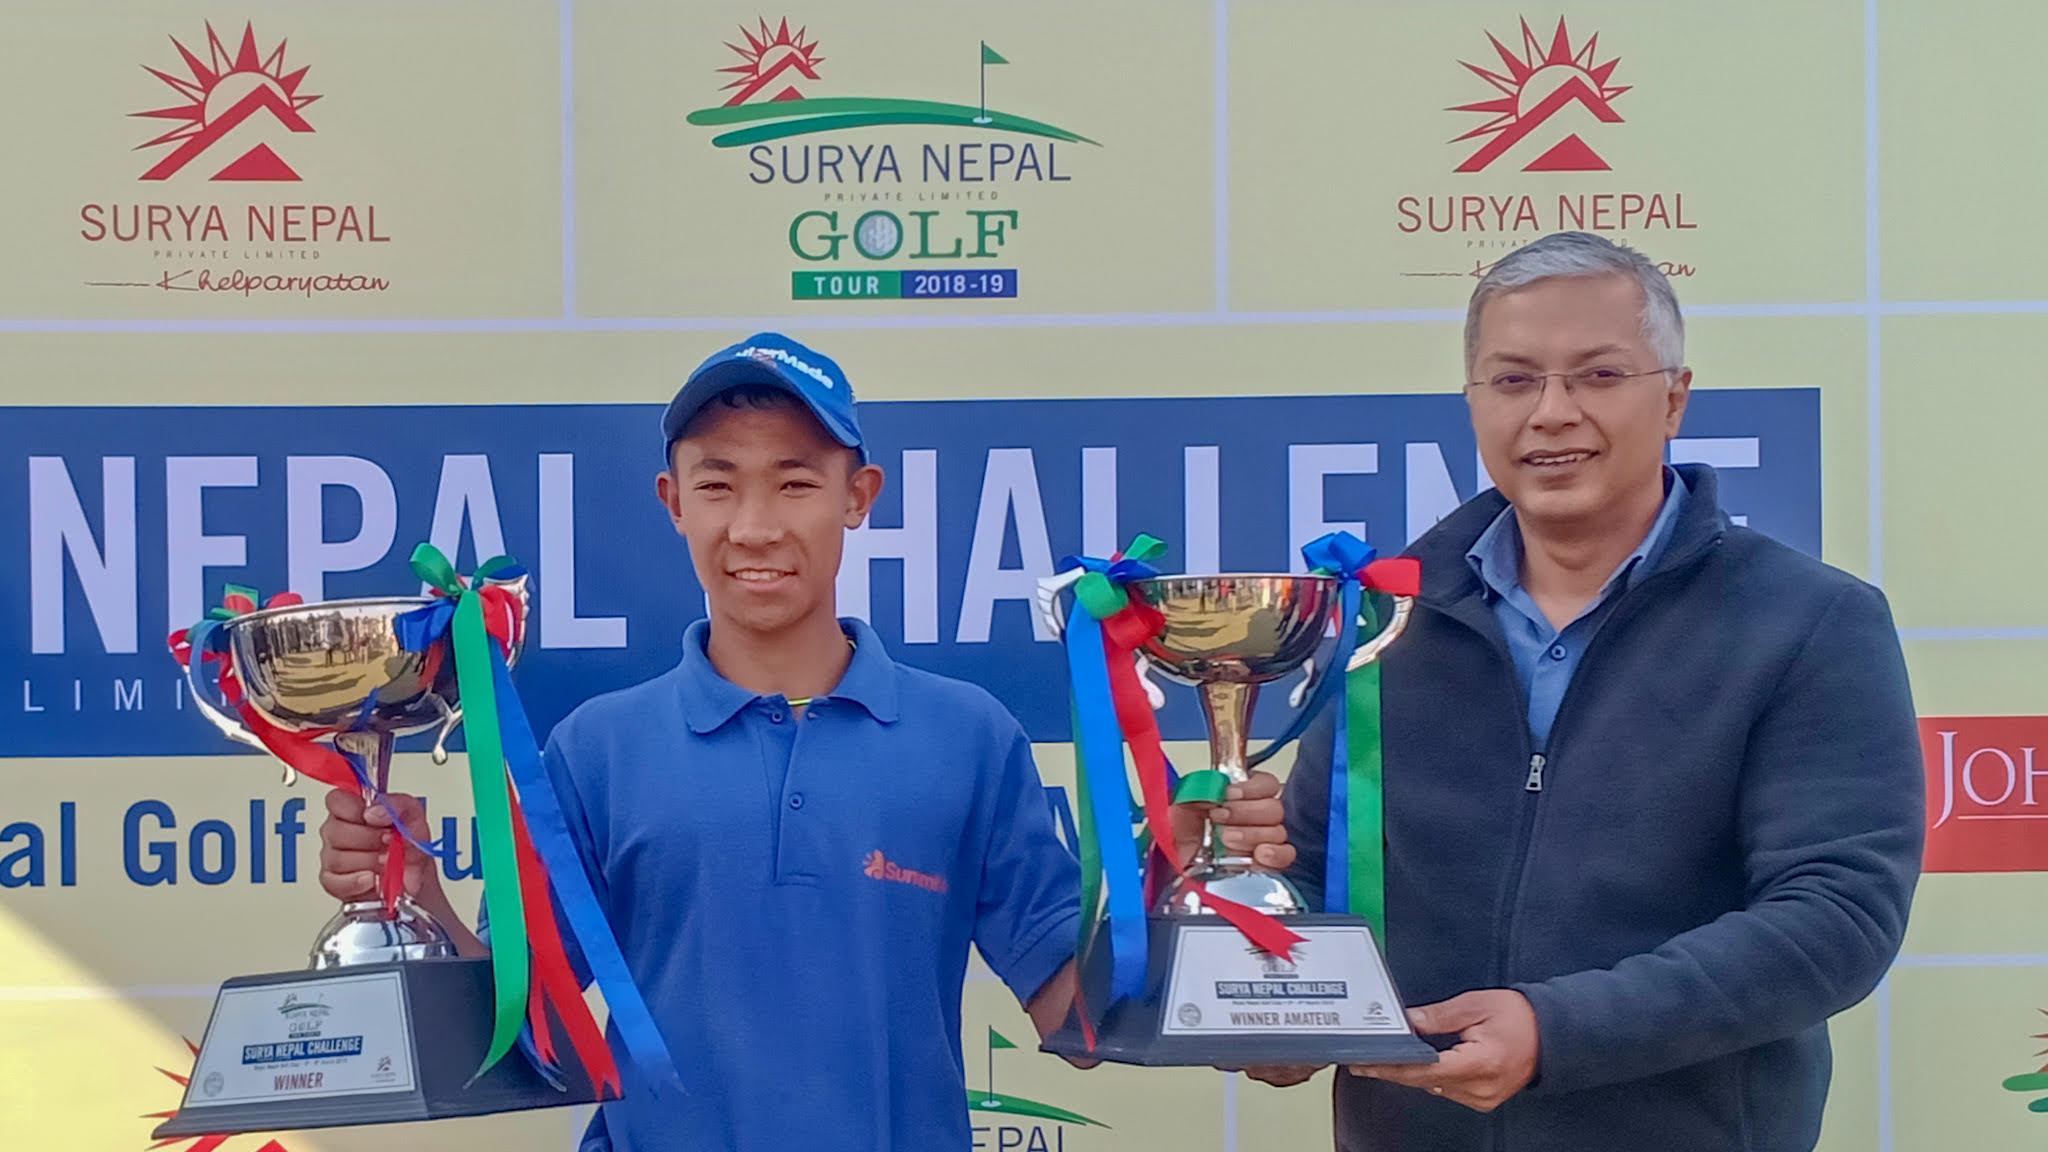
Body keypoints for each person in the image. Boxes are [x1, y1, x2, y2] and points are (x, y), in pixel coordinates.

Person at [315, 332, 1297, 1151]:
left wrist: (1171, 877)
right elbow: (523, 1034)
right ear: (672, 502)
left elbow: (1076, 1020)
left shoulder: (967, 737)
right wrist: (416, 894)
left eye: (794, 483)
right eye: (718, 485)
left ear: (858, 495)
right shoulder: (595, 750)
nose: (753, 527)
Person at [1260, 232, 1923, 1151]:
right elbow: (1316, 872)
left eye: (1599, 376)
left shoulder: (1810, 621)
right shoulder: (1384, 620)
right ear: (1473, 401)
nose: (1552, 413)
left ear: (1675, 398)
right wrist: (1273, 1002)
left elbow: (1835, 919)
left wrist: (1558, 1031)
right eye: (1514, 380)